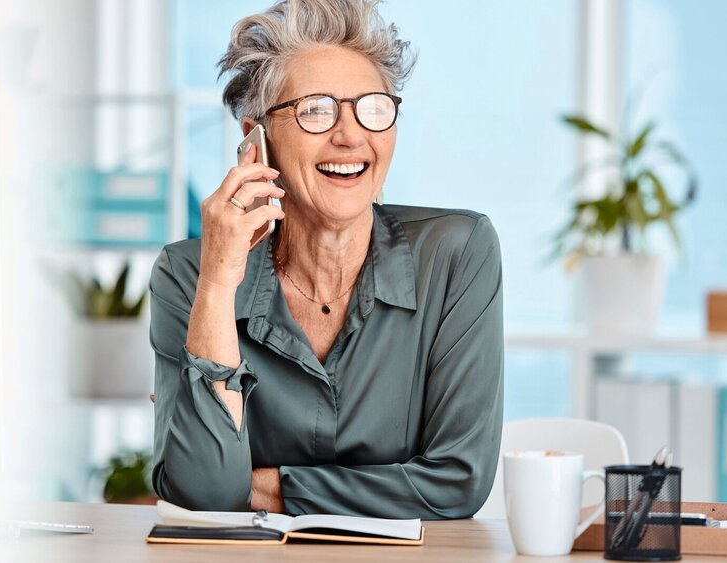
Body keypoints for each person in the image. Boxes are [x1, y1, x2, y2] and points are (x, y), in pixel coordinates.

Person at [150, 0, 503, 519]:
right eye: (316, 110)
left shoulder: (457, 253)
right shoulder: (189, 274)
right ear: (255, 140)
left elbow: (456, 484)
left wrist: (263, 486)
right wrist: (219, 284)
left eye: (373, 108)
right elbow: (202, 494)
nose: (351, 135)